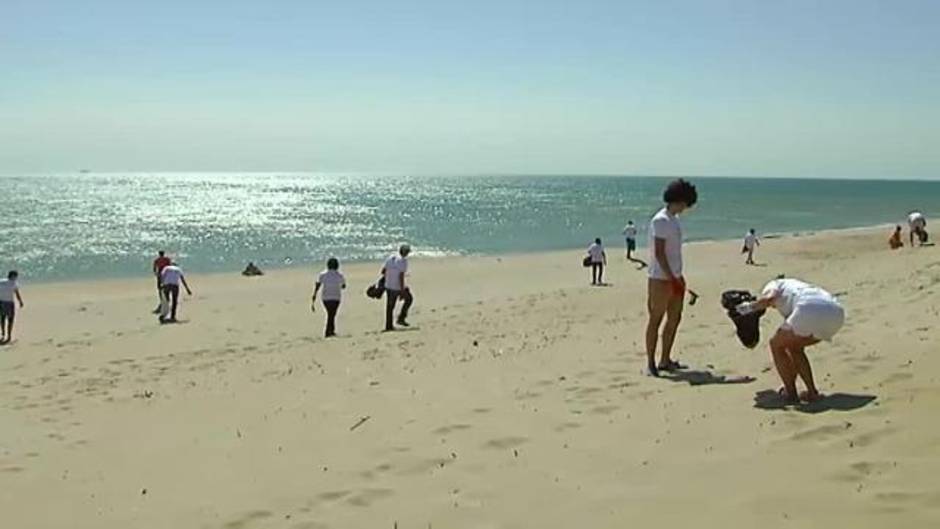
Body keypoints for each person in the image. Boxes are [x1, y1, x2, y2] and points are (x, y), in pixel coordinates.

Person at [735, 278, 844, 403]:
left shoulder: (775, 284)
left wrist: (747, 308)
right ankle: (812, 393)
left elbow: (769, 298)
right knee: (794, 347)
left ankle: (790, 392)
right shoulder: (797, 286)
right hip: (836, 314)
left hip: (808, 307)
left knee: (776, 345)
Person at [645, 179, 697, 376]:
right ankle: (650, 362)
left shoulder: (674, 220)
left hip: (675, 275)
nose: (685, 208)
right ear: (678, 199)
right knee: (655, 319)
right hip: (660, 278)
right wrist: (671, 278)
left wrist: (679, 277)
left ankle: (665, 359)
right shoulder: (661, 220)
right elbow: (659, 253)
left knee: (674, 318)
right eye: (684, 203)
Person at [382, 244, 413, 331]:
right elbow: (401, 276)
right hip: (397, 286)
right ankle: (401, 318)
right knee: (409, 299)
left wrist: (388, 278)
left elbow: (383, 271)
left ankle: (388, 326)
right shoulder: (403, 261)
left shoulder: (391, 257)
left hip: (388, 284)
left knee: (390, 307)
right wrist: (402, 290)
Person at [312, 257, 346, 338]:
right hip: (336, 297)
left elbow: (318, 285)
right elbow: (344, 286)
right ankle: (328, 331)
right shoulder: (340, 275)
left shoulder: (322, 274)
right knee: (332, 314)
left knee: (330, 313)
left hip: (325, 297)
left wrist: (314, 294)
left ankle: (330, 330)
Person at [0, 271, 24, 343]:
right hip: (9, 303)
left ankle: (4, 334)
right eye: (16, 276)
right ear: (13, 276)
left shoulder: (1, 281)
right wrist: (20, 302)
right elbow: (17, 293)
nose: (16, 278)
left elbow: (16, 293)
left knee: (3, 319)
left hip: (1, 302)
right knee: (10, 320)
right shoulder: (14, 283)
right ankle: (8, 336)